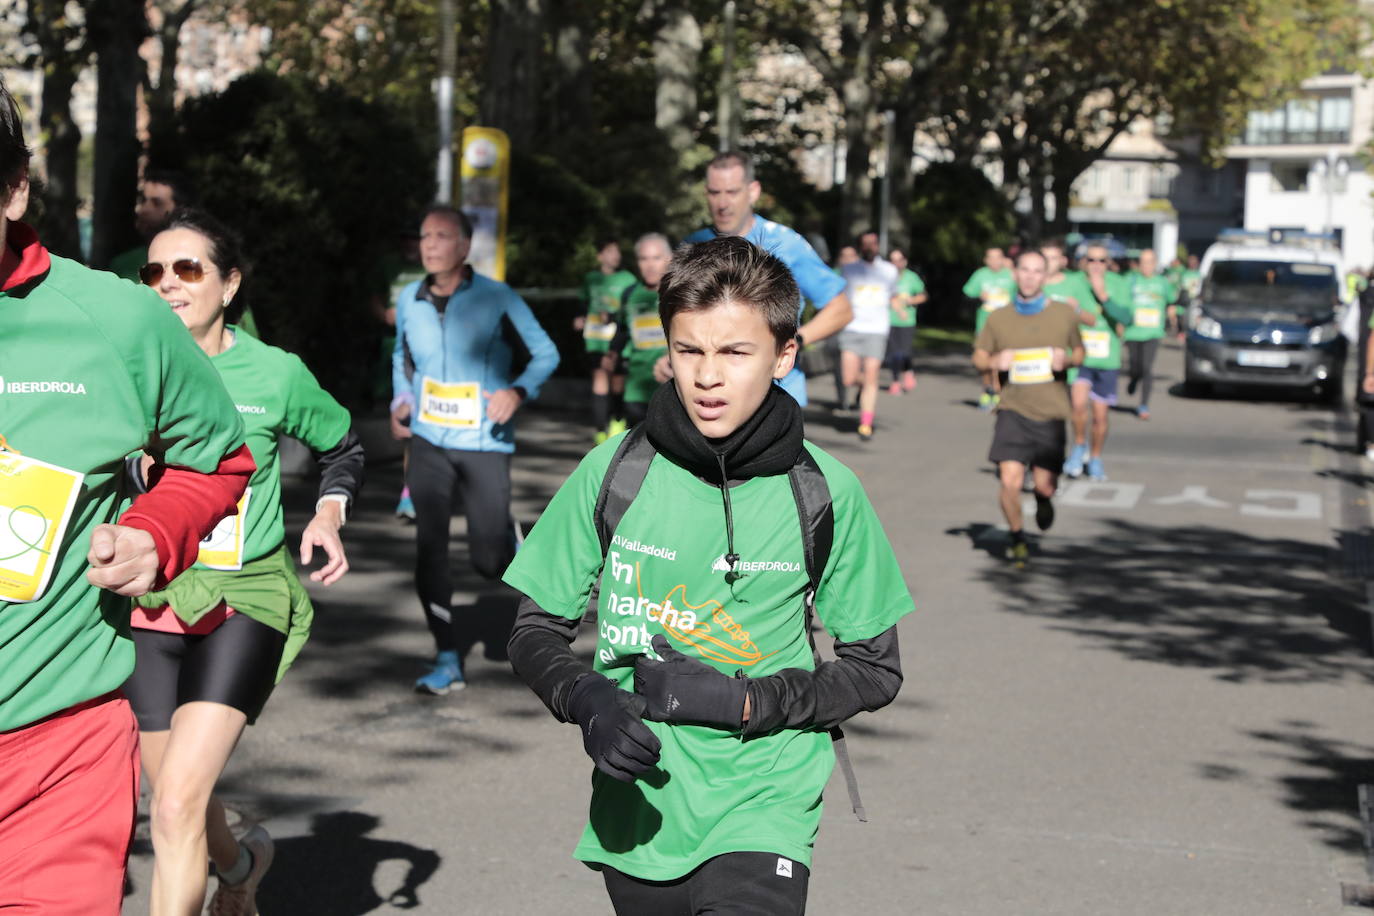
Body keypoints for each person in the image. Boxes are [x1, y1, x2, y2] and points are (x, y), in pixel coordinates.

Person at [504, 236, 912, 915]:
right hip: (639, 807)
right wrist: (589, 702)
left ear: (784, 355)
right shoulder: (614, 474)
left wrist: (749, 704)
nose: (707, 376)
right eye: (689, 350)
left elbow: (876, 667)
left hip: (766, 799)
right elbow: (534, 629)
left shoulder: (824, 492)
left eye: (734, 352)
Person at [0, 82, 255, 914]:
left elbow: (218, 460)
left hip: (52, 750)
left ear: (13, 191)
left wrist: (155, 529)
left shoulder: (116, 321)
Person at [122, 208, 364, 915]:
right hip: (152, 596)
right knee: (174, 795)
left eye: (187, 269)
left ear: (228, 285)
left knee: (171, 809)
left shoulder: (275, 373)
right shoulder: (127, 369)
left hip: (245, 597)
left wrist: (328, 511)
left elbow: (343, 444)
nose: (168, 284)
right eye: (154, 272)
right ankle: (241, 861)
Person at [391, 204, 560, 694]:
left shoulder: (497, 297)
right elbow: (401, 357)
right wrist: (402, 400)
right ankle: (446, 656)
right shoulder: (409, 298)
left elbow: (546, 352)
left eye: (442, 236)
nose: (430, 245)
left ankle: (507, 540)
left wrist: (517, 391)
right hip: (428, 442)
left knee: (488, 563)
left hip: (485, 440)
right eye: (424, 236)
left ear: (464, 247)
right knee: (430, 548)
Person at [684, 150, 853, 406]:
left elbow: (841, 309)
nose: (723, 203)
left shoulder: (785, 243)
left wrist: (797, 339)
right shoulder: (693, 245)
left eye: (732, 192)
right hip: (709, 394)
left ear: (753, 191)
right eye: (715, 192)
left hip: (776, 395)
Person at [973, 249, 1084, 567]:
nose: (1031, 276)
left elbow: (1080, 351)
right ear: (1015, 273)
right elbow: (979, 357)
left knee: (1045, 485)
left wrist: (1068, 358)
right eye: (1025, 270)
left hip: (1050, 412)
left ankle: (1043, 499)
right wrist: (995, 361)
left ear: (1046, 276)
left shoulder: (1063, 314)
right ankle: (1017, 536)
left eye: (1038, 271)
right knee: (1009, 480)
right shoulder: (999, 317)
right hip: (1012, 409)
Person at [1064, 243, 1134, 481]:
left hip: (1107, 359)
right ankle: (1079, 447)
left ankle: (1095, 457)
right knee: (1078, 406)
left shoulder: (1119, 283)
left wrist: (1103, 295)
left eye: (1101, 261)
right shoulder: (1074, 282)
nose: (1095, 265)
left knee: (1100, 416)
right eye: (1091, 260)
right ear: (1083, 262)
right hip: (1080, 355)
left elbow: (1126, 317)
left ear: (1109, 263)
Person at [837, 230, 900, 440]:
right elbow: (840, 298)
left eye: (873, 243)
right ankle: (863, 388)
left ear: (878, 246)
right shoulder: (849, 270)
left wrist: (899, 307)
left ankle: (866, 423)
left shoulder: (889, 270)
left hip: (876, 329)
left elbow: (893, 294)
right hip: (852, 327)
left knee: (872, 374)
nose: (870, 247)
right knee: (849, 378)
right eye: (866, 244)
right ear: (860, 247)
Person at [607, 233, 673, 428]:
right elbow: (621, 330)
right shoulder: (629, 294)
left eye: (656, 258)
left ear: (669, 259)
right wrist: (612, 353)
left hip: (671, 388)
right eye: (644, 259)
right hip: (636, 388)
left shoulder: (680, 293)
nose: (650, 265)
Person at [577, 237, 637, 443]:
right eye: (611, 251)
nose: (616, 256)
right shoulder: (591, 278)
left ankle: (617, 421)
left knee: (617, 383)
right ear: (600, 256)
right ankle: (600, 430)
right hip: (595, 339)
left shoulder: (628, 279)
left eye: (617, 252)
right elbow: (584, 303)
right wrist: (580, 317)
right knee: (600, 381)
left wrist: (612, 316)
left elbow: (632, 306)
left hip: (618, 338)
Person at [107, 168, 195, 281]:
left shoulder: (196, 263)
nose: (144, 209)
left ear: (181, 210)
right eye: (143, 200)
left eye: (157, 203)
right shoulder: (122, 264)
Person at [1122, 248, 1177, 419]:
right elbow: (1121, 302)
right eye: (1143, 262)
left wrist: (1173, 317)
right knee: (1135, 366)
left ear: (1155, 263)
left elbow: (1171, 302)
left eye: (1149, 262)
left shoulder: (1162, 282)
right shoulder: (1130, 280)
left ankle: (1144, 405)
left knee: (1147, 367)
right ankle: (1133, 378)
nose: (1146, 265)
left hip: (1153, 332)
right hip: (1132, 332)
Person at [962, 246, 1016, 410]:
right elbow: (968, 290)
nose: (994, 261)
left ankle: (999, 392)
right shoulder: (981, 274)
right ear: (986, 260)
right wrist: (980, 294)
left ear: (1003, 259)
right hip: (985, 325)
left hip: (1006, 325)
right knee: (983, 362)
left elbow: (1024, 291)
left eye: (998, 257)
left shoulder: (1010, 274)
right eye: (991, 257)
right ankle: (987, 390)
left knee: (1001, 361)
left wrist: (1013, 269)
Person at [886, 246, 926, 395]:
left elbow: (923, 296)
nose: (896, 263)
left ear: (905, 261)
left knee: (904, 352)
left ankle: (908, 370)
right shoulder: (885, 277)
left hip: (907, 321)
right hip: (889, 320)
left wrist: (911, 300)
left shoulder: (911, 277)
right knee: (894, 353)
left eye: (899, 260)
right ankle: (895, 381)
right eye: (892, 260)